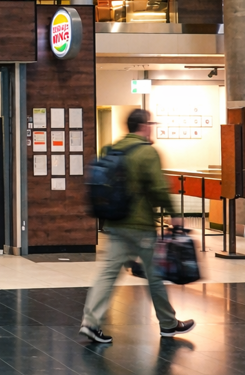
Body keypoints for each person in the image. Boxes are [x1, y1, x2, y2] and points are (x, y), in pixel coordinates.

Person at [79, 109, 195, 345]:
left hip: (114, 222)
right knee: (154, 275)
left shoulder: (115, 148)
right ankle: (168, 323)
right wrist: (174, 215)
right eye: (150, 123)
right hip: (140, 226)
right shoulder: (146, 152)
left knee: (107, 273)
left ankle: (90, 322)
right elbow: (159, 188)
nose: (152, 127)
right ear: (144, 125)